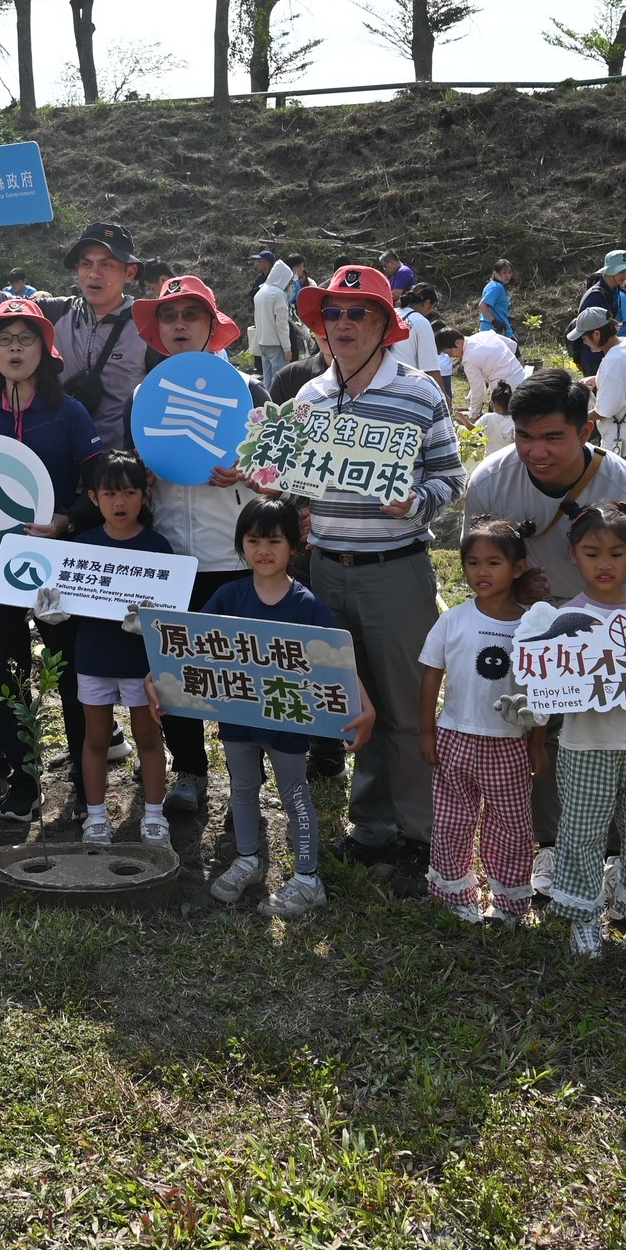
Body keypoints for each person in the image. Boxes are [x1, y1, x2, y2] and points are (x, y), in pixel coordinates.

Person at [462, 367, 626, 897]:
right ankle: (552, 847)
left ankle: (619, 854)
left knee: (614, 734)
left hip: (608, 626)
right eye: (524, 436)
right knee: (534, 737)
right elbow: (480, 571)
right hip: (529, 626)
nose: (536, 451)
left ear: (586, 431)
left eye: (553, 436)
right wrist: (518, 595)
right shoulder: (490, 482)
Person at [291, 263, 469, 889]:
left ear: (386, 325)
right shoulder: (308, 398)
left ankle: (418, 834)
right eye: (331, 313)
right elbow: (295, 482)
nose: (342, 324)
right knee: (352, 701)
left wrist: (415, 503)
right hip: (326, 571)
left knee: (403, 707)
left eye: (358, 312)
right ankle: (369, 826)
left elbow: (453, 478)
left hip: (395, 569)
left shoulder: (420, 392)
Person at [0, 297, 105, 822]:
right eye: (3, 339)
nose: (13, 348)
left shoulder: (68, 411)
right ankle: (25, 781)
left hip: (56, 560)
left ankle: (82, 773)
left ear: (44, 349)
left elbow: (97, 484)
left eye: (25, 338)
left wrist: (65, 522)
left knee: (68, 669)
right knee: (10, 670)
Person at [168, 497, 371, 917]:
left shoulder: (307, 604)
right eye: (253, 539)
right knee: (242, 789)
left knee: (295, 792)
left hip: (287, 717)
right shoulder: (228, 595)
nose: (263, 550)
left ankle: (307, 878)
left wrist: (365, 706)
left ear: (295, 547)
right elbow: (194, 645)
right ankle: (248, 860)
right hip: (239, 714)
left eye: (275, 541)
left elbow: (338, 659)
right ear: (241, 545)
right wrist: (160, 680)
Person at [132, 273, 266, 818]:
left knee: (238, 673)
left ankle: (246, 780)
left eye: (191, 314)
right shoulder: (146, 395)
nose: (179, 324)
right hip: (167, 557)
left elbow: (283, 478)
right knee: (173, 670)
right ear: (158, 330)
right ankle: (190, 770)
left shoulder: (251, 391)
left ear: (213, 325)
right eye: (169, 316)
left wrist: (246, 472)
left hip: (231, 555)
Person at [535, 501, 626, 960]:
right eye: (592, 553)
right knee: (581, 832)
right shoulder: (561, 620)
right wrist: (532, 716)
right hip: (585, 743)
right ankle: (583, 918)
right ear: (573, 554)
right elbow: (547, 689)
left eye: (616, 553)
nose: (604, 564)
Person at [0, 211, 147, 451]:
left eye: (107, 264)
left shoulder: (148, 328)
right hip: (55, 468)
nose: (93, 273)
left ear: (129, 273)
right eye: (86, 263)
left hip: (119, 479)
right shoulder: (53, 314)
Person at [419, 521, 545, 926]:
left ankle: (507, 904)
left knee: (511, 824)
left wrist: (537, 742)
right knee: (453, 820)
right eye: (472, 563)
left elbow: (541, 691)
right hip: (455, 735)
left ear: (519, 567)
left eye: (494, 562)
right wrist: (427, 730)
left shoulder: (531, 627)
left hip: (509, 743)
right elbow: (430, 675)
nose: (481, 572)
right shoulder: (452, 620)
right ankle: (455, 893)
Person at [59, 452, 176, 846]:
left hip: (141, 665)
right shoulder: (82, 546)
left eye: (130, 492)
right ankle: (95, 816)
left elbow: (173, 614)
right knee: (95, 739)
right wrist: (53, 608)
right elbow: (64, 603)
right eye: (110, 494)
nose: (120, 502)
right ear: (94, 499)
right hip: (93, 657)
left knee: (147, 738)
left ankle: (155, 815)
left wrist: (154, 622)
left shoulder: (159, 547)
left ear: (145, 494)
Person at [571, 307, 626, 470]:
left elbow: (604, 411)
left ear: (597, 334)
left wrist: (573, 418)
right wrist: (596, 380)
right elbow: (624, 378)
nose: (584, 342)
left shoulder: (614, 361)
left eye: (584, 338)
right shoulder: (625, 343)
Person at [574, 251, 626, 373]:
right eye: (621, 272)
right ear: (609, 272)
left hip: (607, 355)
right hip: (594, 358)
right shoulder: (596, 297)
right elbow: (591, 334)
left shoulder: (614, 291)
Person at [460, 319, 523, 424]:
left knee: (504, 424)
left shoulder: (468, 359)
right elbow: (512, 344)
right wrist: (508, 363)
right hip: (520, 378)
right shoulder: (485, 335)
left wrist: (473, 416)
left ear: (457, 343)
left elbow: (478, 391)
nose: (451, 356)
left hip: (503, 393)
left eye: (449, 352)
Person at [392, 282, 443, 393]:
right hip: (405, 387)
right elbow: (430, 369)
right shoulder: (421, 322)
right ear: (427, 303)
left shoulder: (391, 313)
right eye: (433, 307)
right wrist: (444, 396)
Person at [250, 249, 292, 381]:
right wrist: (287, 348)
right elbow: (281, 324)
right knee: (280, 379)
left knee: (267, 379)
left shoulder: (261, 292)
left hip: (262, 341)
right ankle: (278, 402)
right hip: (276, 343)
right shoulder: (278, 294)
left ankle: (267, 401)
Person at [480, 259, 517, 341]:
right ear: (496, 274)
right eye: (504, 272)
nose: (507, 275)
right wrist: (494, 322)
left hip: (496, 330)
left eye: (510, 272)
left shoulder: (494, 285)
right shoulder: (497, 287)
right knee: (515, 352)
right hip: (494, 331)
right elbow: (483, 305)